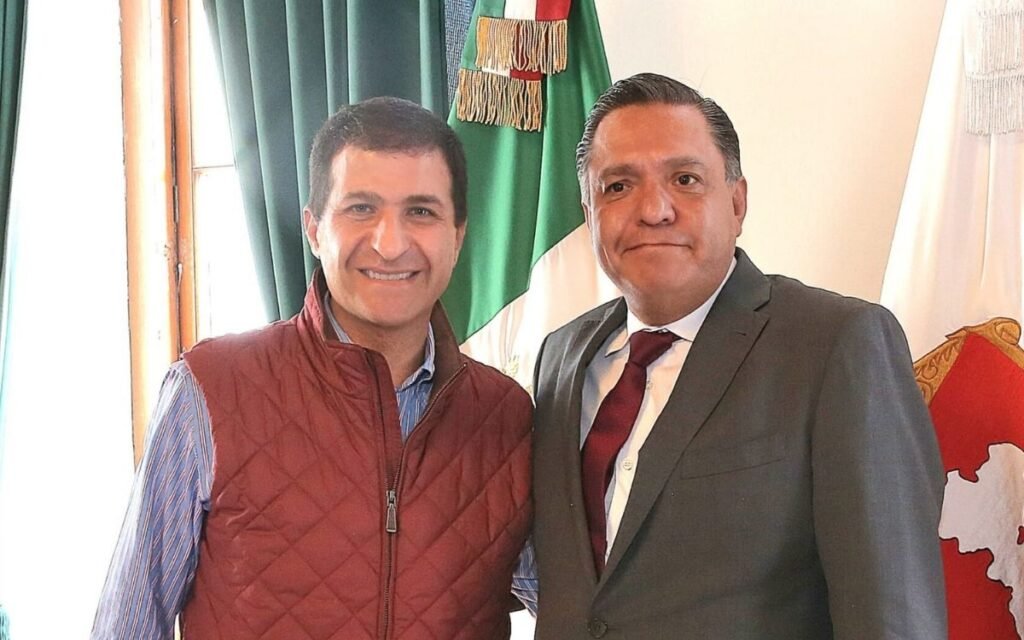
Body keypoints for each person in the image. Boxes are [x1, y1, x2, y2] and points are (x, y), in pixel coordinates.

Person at [92, 97, 534, 640]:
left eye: (421, 211)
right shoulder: (209, 390)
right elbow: (129, 626)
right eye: (361, 208)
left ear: (459, 235)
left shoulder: (507, 416)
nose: (390, 244)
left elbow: (580, 607)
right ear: (314, 229)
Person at [529, 73, 947, 638]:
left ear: (736, 201)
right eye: (618, 186)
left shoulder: (836, 344)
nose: (654, 209)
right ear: (589, 214)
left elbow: (891, 615)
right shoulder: (560, 357)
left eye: (684, 179)